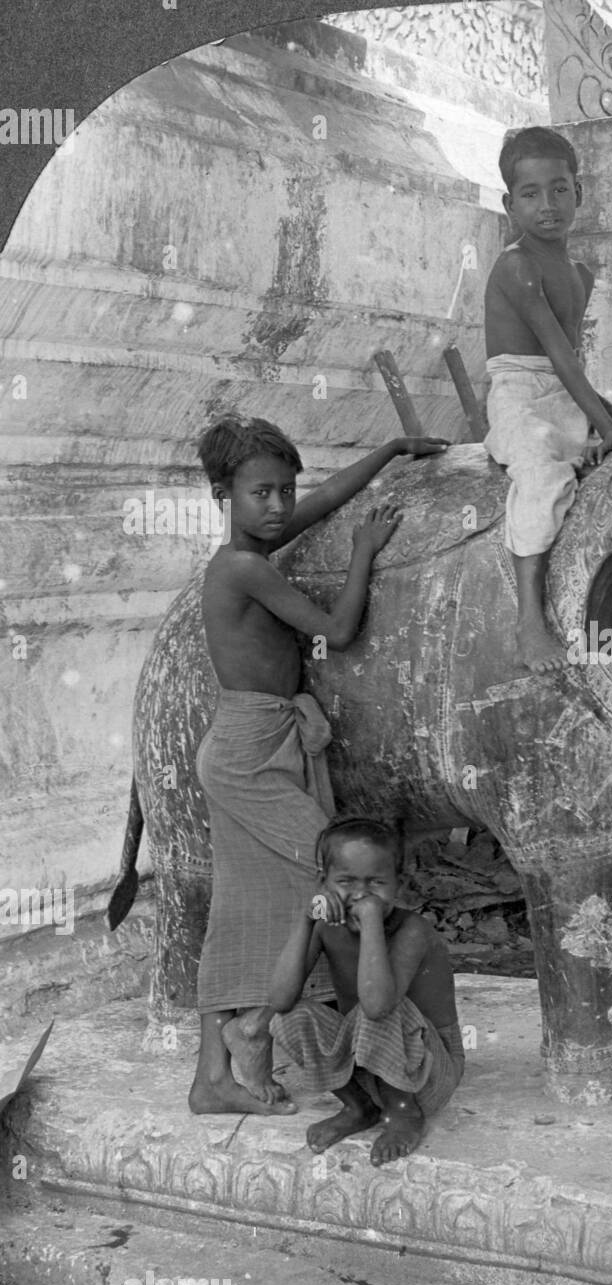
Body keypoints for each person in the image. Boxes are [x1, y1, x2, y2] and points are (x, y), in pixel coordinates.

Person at [188, 415, 448, 1117]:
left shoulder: (257, 546)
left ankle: (213, 1078)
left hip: (266, 740)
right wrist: (364, 550)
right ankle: (261, 1033)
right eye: (261, 494)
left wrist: (390, 448)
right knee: (332, 873)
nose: (277, 507)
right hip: (247, 754)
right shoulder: (240, 566)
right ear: (224, 494)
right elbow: (336, 629)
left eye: (284, 492)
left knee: (248, 904)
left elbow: (328, 496)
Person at [483, 125, 612, 673]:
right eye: (530, 194)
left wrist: (609, 422)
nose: (547, 205)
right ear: (509, 204)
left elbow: (572, 364)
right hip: (520, 394)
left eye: (559, 189)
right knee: (543, 478)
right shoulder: (516, 266)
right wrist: (605, 421)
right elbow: (555, 354)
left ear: (580, 192)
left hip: (568, 391)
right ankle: (530, 622)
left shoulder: (579, 273)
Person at [268, 816, 464, 1165]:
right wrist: (305, 919)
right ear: (323, 884)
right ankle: (360, 1106)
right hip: (367, 1064)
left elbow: (377, 1006)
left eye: (376, 883)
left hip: (429, 1073)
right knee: (291, 1017)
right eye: (345, 881)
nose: (360, 895)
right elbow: (279, 999)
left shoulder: (412, 930)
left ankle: (403, 1114)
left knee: (377, 1009)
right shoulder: (327, 927)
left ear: (399, 885)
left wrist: (372, 919)